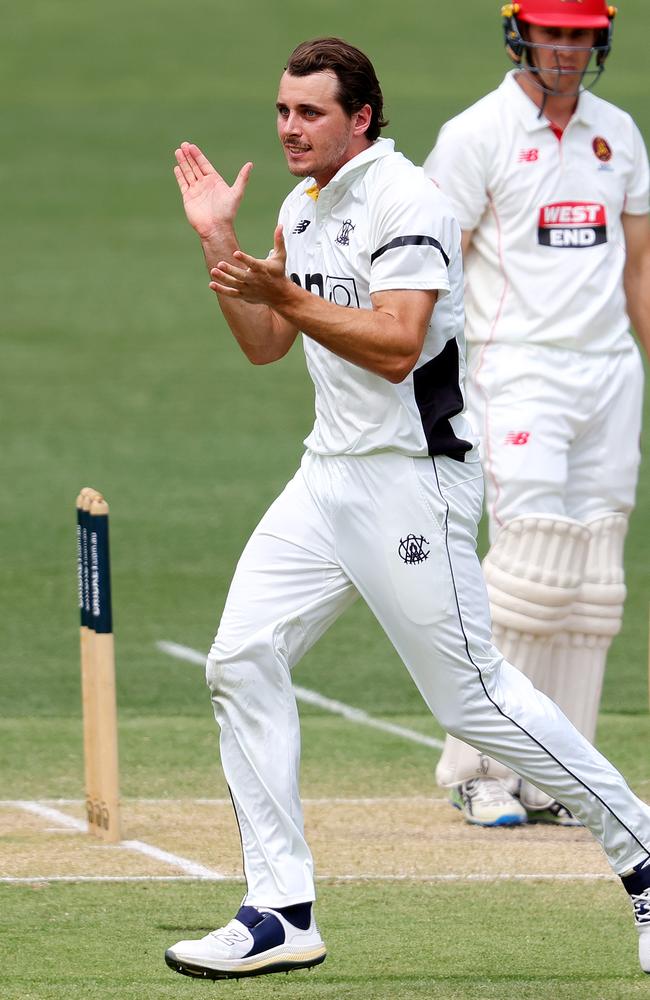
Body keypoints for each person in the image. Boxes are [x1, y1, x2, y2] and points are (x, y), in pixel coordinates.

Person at [166, 36, 650, 981]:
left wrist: (282, 294)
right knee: (241, 657)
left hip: (413, 480)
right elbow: (266, 344)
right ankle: (279, 909)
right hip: (328, 476)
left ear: (363, 118)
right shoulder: (304, 209)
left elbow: (396, 345)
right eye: (281, 111)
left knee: (471, 700)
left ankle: (645, 858)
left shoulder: (408, 201)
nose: (289, 127)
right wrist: (223, 245)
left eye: (309, 113)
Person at [423, 0, 650, 830]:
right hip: (517, 369)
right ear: (521, 31)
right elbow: (438, 264)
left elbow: (641, 269)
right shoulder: (476, 134)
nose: (566, 49)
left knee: (592, 579)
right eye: (554, 32)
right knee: (529, 568)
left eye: (581, 34)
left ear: (600, 38)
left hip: (609, 375)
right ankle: (479, 766)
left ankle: (562, 772)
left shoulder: (618, 133)